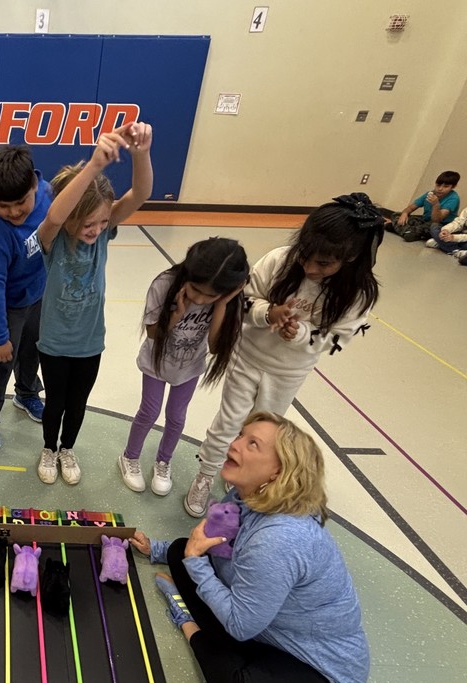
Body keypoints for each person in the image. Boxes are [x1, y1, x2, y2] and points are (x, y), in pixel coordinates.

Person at [132, 412, 369, 683]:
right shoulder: (241, 495)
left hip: (317, 669)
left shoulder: (279, 539)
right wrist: (157, 551)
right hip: (265, 629)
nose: (235, 444)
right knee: (177, 551)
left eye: (252, 444)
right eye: (241, 436)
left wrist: (194, 561)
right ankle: (224, 669)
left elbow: (240, 625)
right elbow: (210, 547)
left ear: (277, 472)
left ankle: (187, 624)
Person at [184, 193, 382, 517]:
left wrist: (302, 333)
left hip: (288, 373)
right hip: (247, 357)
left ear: (351, 258)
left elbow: (337, 338)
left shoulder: (358, 294)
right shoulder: (280, 259)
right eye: (306, 256)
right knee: (229, 421)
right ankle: (205, 475)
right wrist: (268, 313)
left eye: (322, 263)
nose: (308, 267)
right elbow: (243, 297)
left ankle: (244, 485)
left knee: (263, 435)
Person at [33, 122, 153, 486]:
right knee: (55, 402)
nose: (96, 230)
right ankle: (49, 448)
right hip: (54, 342)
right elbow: (54, 215)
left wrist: (141, 154)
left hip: (89, 342)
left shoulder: (102, 235)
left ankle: (68, 447)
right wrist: (94, 166)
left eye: (103, 222)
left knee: (78, 402)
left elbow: (140, 195)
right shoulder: (52, 239)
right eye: (88, 223)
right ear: (71, 217)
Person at [118, 238, 248, 495]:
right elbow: (153, 334)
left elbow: (214, 346)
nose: (200, 299)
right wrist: (176, 314)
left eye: (210, 296)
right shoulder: (164, 283)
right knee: (149, 411)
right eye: (195, 289)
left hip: (189, 367)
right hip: (157, 363)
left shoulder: (227, 301)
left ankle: (163, 461)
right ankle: (130, 457)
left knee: (177, 417)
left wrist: (221, 304)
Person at [0, 146, 52, 452]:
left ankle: (27, 392)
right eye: (4, 205)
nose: (15, 212)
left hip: (38, 294)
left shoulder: (46, 194)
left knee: (34, 350)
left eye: (21, 202)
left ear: (34, 184)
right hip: (7, 307)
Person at [385, 171, 460, 242]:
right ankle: (408, 232)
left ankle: (398, 228)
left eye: (446, 186)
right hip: (425, 219)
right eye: (438, 185)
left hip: (441, 224)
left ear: (452, 187)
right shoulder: (430, 194)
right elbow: (410, 208)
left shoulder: (453, 198)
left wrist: (436, 205)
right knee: (396, 214)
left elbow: (436, 220)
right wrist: (404, 213)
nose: (440, 189)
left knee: (432, 227)